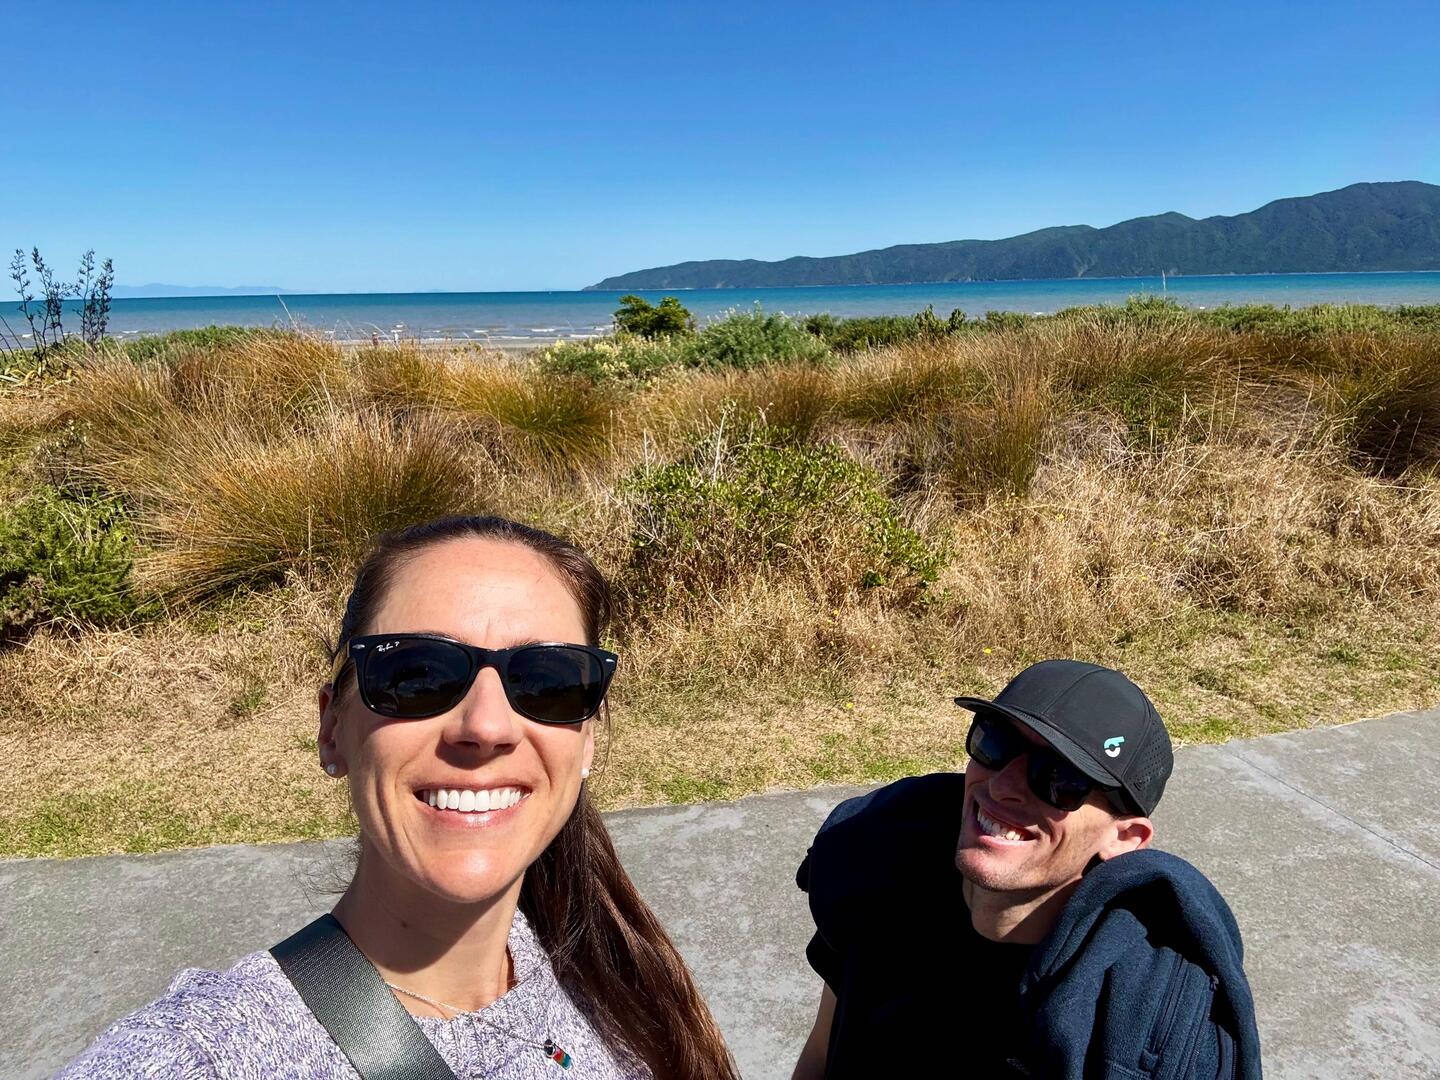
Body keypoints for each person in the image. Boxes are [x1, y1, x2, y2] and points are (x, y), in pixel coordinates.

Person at [61, 515, 738, 1080]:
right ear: (333, 729)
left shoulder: (622, 985)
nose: (487, 727)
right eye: (417, 676)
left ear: (585, 741)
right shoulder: (202, 1056)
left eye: (549, 682)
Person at [791, 659, 1261, 1080]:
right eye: (995, 743)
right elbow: (823, 1051)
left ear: (1125, 838)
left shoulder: (1141, 1024)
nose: (1004, 785)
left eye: (1061, 779)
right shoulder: (884, 876)